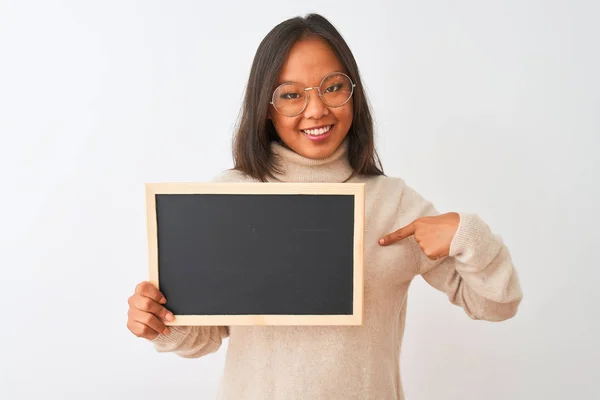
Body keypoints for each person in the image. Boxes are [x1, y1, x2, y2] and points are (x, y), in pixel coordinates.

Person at [126, 13, 523, 400]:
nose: (316, 110)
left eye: (332, 87)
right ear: (267, 107)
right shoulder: (233, 197)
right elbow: (204, 338)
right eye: (292, 95)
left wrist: (464, 233)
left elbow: (496, 304)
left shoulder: (396, 204)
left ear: (354, 92)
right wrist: (160, 322)